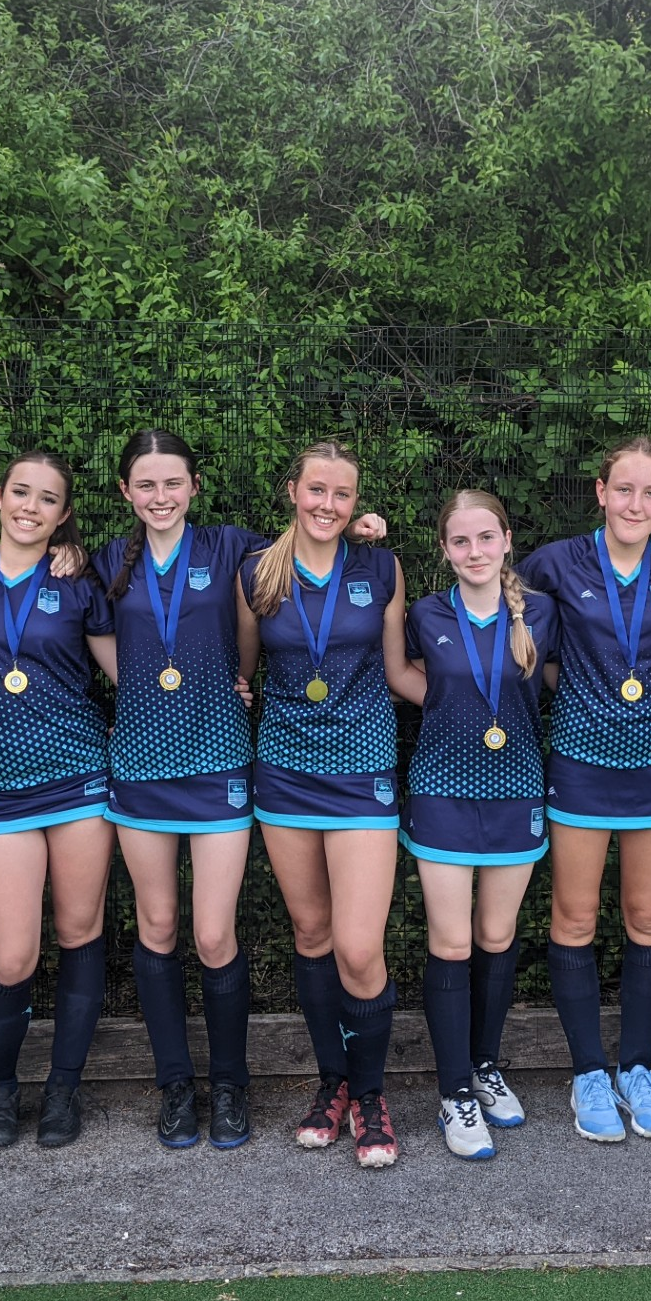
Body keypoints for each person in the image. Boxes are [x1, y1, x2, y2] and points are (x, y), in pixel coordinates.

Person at [517, 436, 651, 1144]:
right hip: (579, 760)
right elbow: (510, 626)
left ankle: (635, 1068)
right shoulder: (553, 563)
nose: (636, 504)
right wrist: (568, 681)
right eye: (624, 489)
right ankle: (588, 1074)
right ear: (601, 492)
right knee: (574, 919)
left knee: (647, 917)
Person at [237, 440, 419, 1169]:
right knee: (311, 935)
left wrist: (481, 696)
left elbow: (399, 669)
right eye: (317, 490)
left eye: (343, 494)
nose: (329, 505)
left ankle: (371, 1095)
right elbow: (244, 669)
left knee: (359, 948)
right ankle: (333, 1083)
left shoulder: (382, 568)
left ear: (356, 503)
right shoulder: (257, 571)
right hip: (285, 771)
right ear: (293, 491)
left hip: (362, 771)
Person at [95, 429, 268, 1152]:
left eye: (173, 483)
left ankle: (229, 1085)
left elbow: (308, 552)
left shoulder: (230, 547)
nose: (160, 496)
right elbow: (90, 628)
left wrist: (359, 529)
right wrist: (135, 683)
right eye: (146, 484)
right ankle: (174, 1086)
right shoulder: (107, 558)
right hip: (140, 764)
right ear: (126, 492)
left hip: (218, 757)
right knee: (158, 926)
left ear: (195, 486)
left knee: (213, 933)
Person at [0, 451, 115, 1150]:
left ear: (63, 514)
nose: (30, 507)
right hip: (0, 791)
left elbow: (126, 672)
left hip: (78, 778)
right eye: (21, 492)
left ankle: (63, 1089)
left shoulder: (78, 582)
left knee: (79, 933)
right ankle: (1, 1090)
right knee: (11, 956)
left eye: (47, 499)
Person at [401, 491, 560, 1160]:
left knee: (496, 935)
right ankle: (453, 1092)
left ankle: (484, 1066)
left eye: (485, 538)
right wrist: (447, 701)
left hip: (516, 789)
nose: (475, 552)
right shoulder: (425, 614)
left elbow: (562, 677)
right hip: (442, 790)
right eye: (461, 541)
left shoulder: (541, 613)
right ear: (444, 549)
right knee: (451, 941)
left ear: (506, 540)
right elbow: (399, 673)